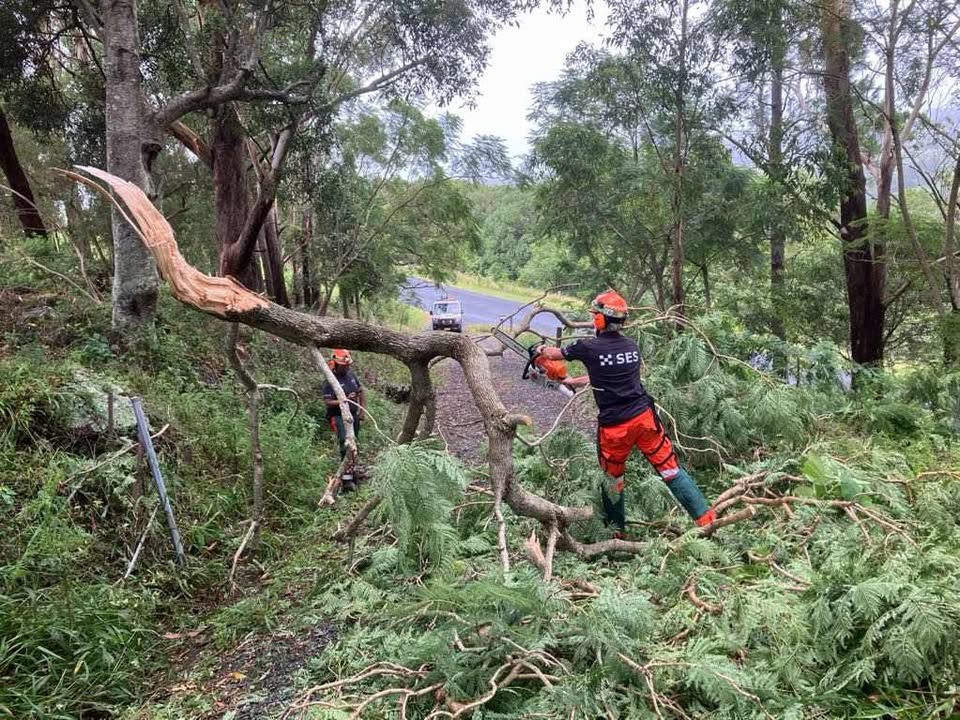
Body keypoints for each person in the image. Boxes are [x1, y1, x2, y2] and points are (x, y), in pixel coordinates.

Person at [533, 290, 715, 535]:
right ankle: (706, 519)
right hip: (645, 419)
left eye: (595, 315)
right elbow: (605, 373)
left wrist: (539, 350)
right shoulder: (631, 346)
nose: (593, 319)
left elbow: (553, 354)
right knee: (669, 468)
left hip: (616, 427)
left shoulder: (588, 346)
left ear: (600, 319)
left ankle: (616, 532)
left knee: (613, 479)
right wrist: (572, 381)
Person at [323, 349, 366, 490]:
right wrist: (344, 400)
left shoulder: (351, 375)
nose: (346, 367)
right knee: (345, 442)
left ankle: (352, 472)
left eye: (348, 365)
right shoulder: (330, 380)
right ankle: (346, 479)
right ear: (336, 364)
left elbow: (361, 391)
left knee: (353, 442)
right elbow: (328, 401)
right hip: (338, 416)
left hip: (353, 416)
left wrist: (361, 410)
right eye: (343, 365)